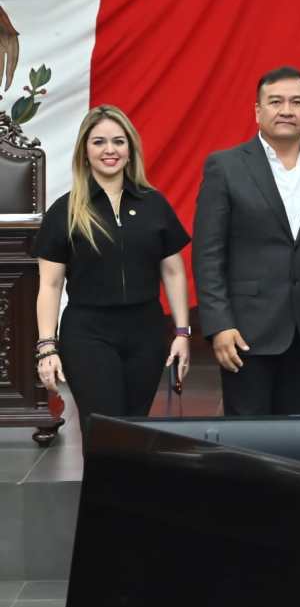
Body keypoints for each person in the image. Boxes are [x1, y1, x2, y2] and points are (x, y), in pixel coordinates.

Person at [193, 66, 300, 416]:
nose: (287, 110)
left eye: (297, 102)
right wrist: (219, 325)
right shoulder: (226, 166)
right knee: (248, 444)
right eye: (275, 102)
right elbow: (207, 253)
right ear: (258, 111)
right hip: (246, 332)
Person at [33, 105, 191, 438]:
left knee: (134, 432)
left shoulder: (154, 204)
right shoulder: (64, 210)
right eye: (99, 142)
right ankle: (102, 492)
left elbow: (174, 273)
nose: (110, 150)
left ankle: (127, 492)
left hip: (146, 333)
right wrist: (47, 347)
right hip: (88, 333)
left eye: (119, 142)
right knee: (104, 433)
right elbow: (49, 285)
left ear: (130, 150)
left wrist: (182, 333)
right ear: (84, 152)